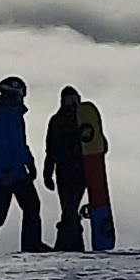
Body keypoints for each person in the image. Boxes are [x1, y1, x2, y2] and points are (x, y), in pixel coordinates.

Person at [0, 79, 44, 251]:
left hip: (17, 171)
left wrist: (30, 162)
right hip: (6, 174)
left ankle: (31, 243)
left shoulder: (14, 117)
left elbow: (20, 144)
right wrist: (5, 170)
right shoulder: (3, 117)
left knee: (29, 206)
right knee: (1, 210)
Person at [43, 87, 95, 251]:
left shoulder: (83, 121)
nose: (71, 104)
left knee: (70, 207)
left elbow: (96, 143)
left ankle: (67, 243)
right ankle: (72, 243)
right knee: (68, 207)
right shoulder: (57, 121)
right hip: (64, 172)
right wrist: (47, 173)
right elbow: (50, 149)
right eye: (68, 100)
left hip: (80, 171)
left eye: (74, 100)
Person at [76, 94, 117, 251]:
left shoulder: (72, 121)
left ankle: (75, 241)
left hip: (85, 165)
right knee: (70, 208)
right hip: (71, 170)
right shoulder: (60, 123)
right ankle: (70, 242)